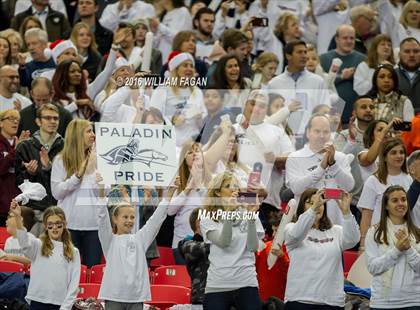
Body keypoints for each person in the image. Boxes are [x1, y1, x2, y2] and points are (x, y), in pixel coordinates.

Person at [96, 175, 171, 309]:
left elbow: (155, 220)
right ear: (115, 219)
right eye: (125, 217)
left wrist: (169, 195)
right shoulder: (109, 240)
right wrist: (101, 189)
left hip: (136, 297)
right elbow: (102, 217)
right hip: (113, 296)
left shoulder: (140, 239)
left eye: (132, 217)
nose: (129, 220)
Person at [284, 188, 360, 309]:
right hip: (300, 300)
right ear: (302, 207)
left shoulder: (336, 231)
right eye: (311, 202)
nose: (318, 204)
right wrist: (313, 210)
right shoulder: (290, 228)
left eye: (320, 201)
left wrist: (346, 213)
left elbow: (353, 240)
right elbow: (296, 234)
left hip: (332, 302)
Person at [200, 171, 264, 310]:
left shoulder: (247, 211)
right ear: (217, 193)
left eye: (236, 186)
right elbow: (224, 242)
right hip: (218, 285)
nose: (234, 189)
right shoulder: (208, 217)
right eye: (229, 186)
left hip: (246, 282)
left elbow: (253, 247)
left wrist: (251, 218)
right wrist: (229, 213)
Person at [285, 114, 355, 225]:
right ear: (308, 133)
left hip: (335, 223)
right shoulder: (295, 157)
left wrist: (333, 164)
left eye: (326, 132)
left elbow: (349, 186)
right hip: (305, 223)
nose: (322, 136)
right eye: (317, 131)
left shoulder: (340, 157)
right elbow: (296, 189)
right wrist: (321, 168)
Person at [10, 201, 80, 310]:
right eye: (50, 225)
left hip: (60, 304)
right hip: (37, 301)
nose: (55, 228)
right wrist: (18, 217)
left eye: (58, 224)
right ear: (45, 226)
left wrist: (65, 307)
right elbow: (24, 243)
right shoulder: (38, 244)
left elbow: (73, 285)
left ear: (65, 224)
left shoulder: (73, 251)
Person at [51, 119, 101, 268]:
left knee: (92, 272)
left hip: (94, 227)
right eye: (89, 131)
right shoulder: (61, 160)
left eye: (93, 131)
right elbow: (56, 193)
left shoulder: (100, 160)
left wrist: (98, 182)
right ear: (77, 135)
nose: (93, 135)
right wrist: (76, 177)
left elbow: (105, 194)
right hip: (68, 226)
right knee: (67, 270)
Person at [365, 185, 420, 310]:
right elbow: (373, 267)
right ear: (386, 206)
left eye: (403, 199)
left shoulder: (417, 232)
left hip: (413, 301)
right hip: (383, 303)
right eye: (395, 200)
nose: (401, 203)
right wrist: (397, 250)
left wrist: (409, 250)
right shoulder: (374, 232)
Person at [15, 104, 64, 236]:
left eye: (56, 118)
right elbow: (17, 180)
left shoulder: (65, 146)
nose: (53, 121)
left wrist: (49, 167)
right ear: (38, 121)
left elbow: (68, 178)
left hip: (57, 208)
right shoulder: (24, 146)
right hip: (32, 209)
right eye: (48, 118)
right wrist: (29, 173)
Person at [358, 138, 413, 252]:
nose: (399, 156)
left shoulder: (409, 179)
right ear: (384, 157)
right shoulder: (373, 181)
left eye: (401, 152)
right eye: (393, 152)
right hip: (380, 239)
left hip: (404, 238)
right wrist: (363, 245)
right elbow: (366, 216)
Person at [150, 52, 205, 147]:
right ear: (176, 69)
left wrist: (200, 118)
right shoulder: (163, 89)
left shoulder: (198, 92)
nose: (189, 69)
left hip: (191, 144)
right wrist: (171, 119)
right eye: (185, 65)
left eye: (191, 66)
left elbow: (203, 121)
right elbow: (152, 117)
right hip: (168, 143)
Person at [320, 25, 366, 125]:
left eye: (352, 38)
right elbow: (320, 85)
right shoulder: (323, 59)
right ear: (337, 39)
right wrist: (341, 77)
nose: (349, 41)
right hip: (330, 116)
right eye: (345, 38)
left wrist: (355, 76)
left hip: (356, 118)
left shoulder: (363, 60)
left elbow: (368, 85)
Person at [0, 109, 28, 226]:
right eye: (11, 118)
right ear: (1, 123)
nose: (15, 122)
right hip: (1, 207)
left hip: (19, 207)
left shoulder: (24, 143)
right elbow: (1, 168)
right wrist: (15, 151)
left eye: (17, 119)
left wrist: (27, 168)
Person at [178, 208, 210, 308]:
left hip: (222, 298)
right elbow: (206, 248)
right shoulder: (187, 244)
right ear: (199, 222)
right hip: (201, 300)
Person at [255, 215, 289, 302]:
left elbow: (293, 275)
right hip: (261, 299)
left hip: (281, 301)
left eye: (276, 231)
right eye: (273, 230)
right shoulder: (264, 246)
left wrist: (282, 257)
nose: (273, 234)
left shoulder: (292, 250)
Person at [396, 37, 420, 114]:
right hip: (398, 123)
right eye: (407, 51)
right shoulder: (390, 75)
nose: (412, 55)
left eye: (416, 51)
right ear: (399, 55)